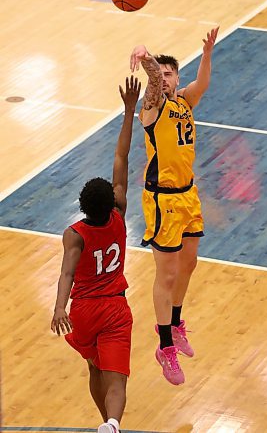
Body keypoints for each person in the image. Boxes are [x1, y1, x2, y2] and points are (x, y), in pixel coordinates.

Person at [51, 76, 141, 433]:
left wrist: (60, 307)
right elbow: (121, 156)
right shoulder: (119, 215)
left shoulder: (75, 235)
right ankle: (114, 423)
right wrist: (129, 110)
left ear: (82, 206)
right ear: (112, 202)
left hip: (85, 309)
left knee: (94, 368)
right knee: (117, 379)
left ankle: (105, 424)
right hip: (116, 308)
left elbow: (66, 275)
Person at [130, 27, 219, 385]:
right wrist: (145, 54)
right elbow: (151, 78)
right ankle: (164, 345)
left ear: (177, 79)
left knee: (190, 263)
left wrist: (208, 53)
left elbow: (203, 84)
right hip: (162, 199)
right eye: (160, 75)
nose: (163, 79)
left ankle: (176, 323)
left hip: (189, 194)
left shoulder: (185, 101)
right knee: (166, 274)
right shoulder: (151, 108)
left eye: (170, 74)